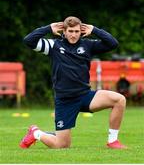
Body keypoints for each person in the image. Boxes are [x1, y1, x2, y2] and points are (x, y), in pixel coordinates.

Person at [19, 16, 127, 149]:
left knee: (119, 100)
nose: (73, 35)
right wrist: (48, 28)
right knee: (62, 145)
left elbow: (113, 43)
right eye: (70, 31)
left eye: (76, 31)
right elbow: (28, 41)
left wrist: (94, 30)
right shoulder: (54, 46)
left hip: (85, 96)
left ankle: (112, 141)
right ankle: (36, 133)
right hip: (65, 101)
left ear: (81, 32)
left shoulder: (88, 45)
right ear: (64, 31)